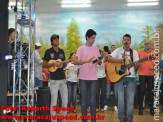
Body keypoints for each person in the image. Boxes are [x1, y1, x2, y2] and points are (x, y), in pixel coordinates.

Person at [108, 34, 139, 122]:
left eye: (128, 40)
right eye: (125, 39)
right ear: (122, 41)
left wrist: (137, 66)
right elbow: (109, 59)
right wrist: (121, 61)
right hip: (119, 78)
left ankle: (129, 119)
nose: (126, 41)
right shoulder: (118, 50)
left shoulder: (134, 52)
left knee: (130, 100)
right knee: (120, 100)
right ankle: (121, 118)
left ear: (130, 41)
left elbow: (136, 67)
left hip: (131, 77)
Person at [72, 29, 100, 122]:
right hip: (83, 78)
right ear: (87, 38)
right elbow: (75, 62)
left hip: (93, 78)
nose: (93, 40)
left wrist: (100, 61)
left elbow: (98, 62)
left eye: (94, 38)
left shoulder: (96, 48)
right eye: (92, 38)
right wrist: (86, 61)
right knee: (84, 101)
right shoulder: (80, 49)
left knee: (93, 101)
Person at [43, 34, 68, 122]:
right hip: (53, 80)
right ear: (51, 42)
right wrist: (53, 64)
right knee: (54, 101)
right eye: (55, 39)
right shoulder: (48, 51)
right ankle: (53, 120)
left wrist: (65, 62)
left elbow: (64, 64)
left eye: (58, 39)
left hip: (62, 78)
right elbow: (44, 64)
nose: (57, 40)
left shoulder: (62, 51)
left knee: (65, 100)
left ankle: (64, 119)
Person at [138, 40, 155, 115]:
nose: (147, 45)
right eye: (145, 44)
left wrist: (154, 67)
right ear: (144, 45)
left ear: (150, 45)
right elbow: (136, 61)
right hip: (142, 75)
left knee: (151, 92)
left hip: (151, 75)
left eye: (148, 43)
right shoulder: (140, 52)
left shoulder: (154, 53)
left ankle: (152, 110)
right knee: (142, 91)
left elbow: (156, 63)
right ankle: (140, 109)